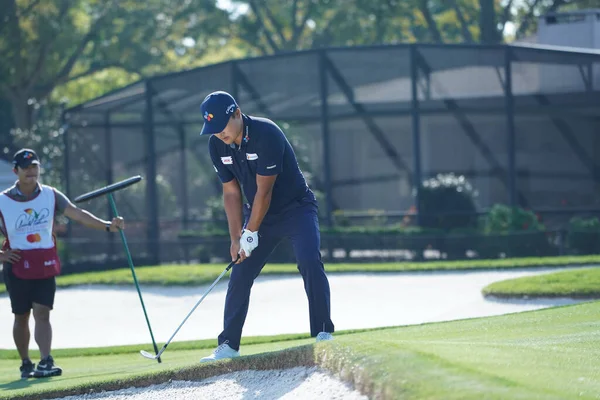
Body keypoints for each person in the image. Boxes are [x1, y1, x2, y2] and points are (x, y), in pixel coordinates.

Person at [198, 91, 335, 363]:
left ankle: (323, 332)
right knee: (240, 273)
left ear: (236, 113)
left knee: (308, 260)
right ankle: (228, 345)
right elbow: (231, 193)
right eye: (212, 130)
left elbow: (264, 192)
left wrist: (250, 232)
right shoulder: (217, 145)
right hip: (259, 214)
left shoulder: (266, 133)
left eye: (221, 126)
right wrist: (237, 237)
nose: (219, 134)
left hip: (296, 208)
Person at [0, 148, 125, 379]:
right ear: (15, 171)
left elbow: (77, 214)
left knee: (43, 313)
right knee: (21, 316)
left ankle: (46, 360)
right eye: (26, 167)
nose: (31, 171)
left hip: (45, 262)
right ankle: (26, 362)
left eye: (34, 166)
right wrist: (1, 255)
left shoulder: (51, 194)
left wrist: (108, 225)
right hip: (16, 265)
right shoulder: (3, 201)